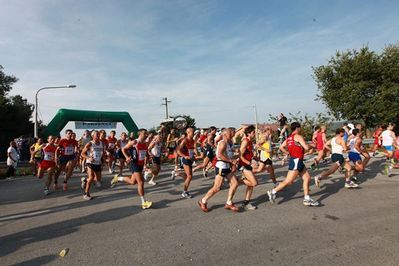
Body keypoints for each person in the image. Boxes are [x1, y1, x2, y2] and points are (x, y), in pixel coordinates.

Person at [267, 122, 319, 206]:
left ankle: (307, 198)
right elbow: (306, 147)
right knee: (289, 181)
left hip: (298, 160)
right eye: (300, 128)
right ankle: (272, 192)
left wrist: (288, 153)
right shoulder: (298, 136)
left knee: (307, 178)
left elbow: (281, 147)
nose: (300, 129)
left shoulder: (289, 138)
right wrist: (313, 146)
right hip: (297, 160)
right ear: (297, 128)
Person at [198, 128, 240, 212]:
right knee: (216, 188)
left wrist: (236, 156)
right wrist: (231, 160)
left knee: (235, 183)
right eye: (230, 133)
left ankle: (229, 203)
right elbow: (219, 155)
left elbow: (228, 155)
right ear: (224, 134)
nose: (232, 134)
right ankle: (203, 201)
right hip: (221, 167)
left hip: (226, 167)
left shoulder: (228, 143)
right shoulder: (223, 143)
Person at [110, 128, 152, 209]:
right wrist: (127, 157)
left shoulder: (145, 143)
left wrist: (148, 155)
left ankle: (118, 178)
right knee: (141, 182)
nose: (146, 135)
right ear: (140, 134)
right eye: (145, 134)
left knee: (133, 182)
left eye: (147, 133)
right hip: (134, 163)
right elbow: (123, 149)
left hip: (140, 164)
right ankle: (144, 203)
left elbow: (145, 151)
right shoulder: (134, 142)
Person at [237, 125, 258, 210]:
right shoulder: (245, 141)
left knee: (250, 185)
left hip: (248, 165)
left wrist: (257, 159)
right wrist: (248, 162)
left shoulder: (250, 141)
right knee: (254, 183)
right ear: (249, 133)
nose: (255, 133)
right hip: (244, 165)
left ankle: (246, 202)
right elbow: (240, 154)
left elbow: (249, 154)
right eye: (253, 132)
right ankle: (237, 180)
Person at [81, 131, 106, 200]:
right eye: (97, 134)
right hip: (90, 163)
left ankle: (85, 180)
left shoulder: (102, 143)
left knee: (98, 180)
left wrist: (103, 161)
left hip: (98, 163)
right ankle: (86, 194)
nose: (98, 135)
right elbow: (82, 153)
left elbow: (103, 153)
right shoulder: (90, 144)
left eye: (99, 134)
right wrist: (88, 158)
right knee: (91, 177)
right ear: (93, 136)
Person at [176, 127, 198, 198]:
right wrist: (185, 156)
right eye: (192, 132)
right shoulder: (185, 140)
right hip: (185, 159)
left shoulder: (193, 140)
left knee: (187, 175)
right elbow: (178, 151)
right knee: (189, 176)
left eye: (194, 132)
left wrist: (194, 156)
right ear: (188, 132)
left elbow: (192, 150)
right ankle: (184, 192)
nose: (193, 133)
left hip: (190, 159)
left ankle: (178, 173)